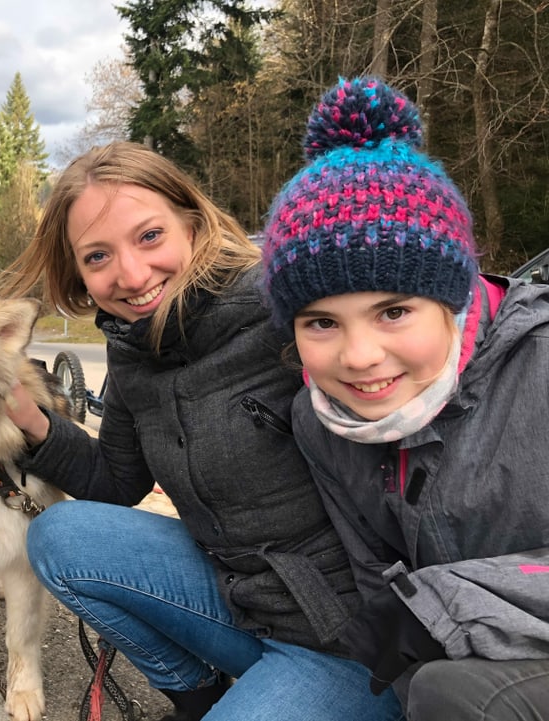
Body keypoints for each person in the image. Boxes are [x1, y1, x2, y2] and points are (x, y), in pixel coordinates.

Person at [0, 141, 402, 721]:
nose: (131, 275)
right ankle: (198, 700)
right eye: (97, 256)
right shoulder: (133, 346)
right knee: (61, 535)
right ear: (78, 272)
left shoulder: (289, 312)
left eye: (149, 236)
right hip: (242, 598)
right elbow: (115, 483)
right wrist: (30, 419)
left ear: (192, 221)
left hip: (350, 642)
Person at [261, 76, 549, 720]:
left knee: (458, 695)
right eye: (321, 323)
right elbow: (374, 572)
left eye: (393, 311)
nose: (359, 357)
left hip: (487, 670)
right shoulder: (318, 418)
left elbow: (419, 609)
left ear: (452, 299)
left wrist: (444, 604)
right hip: (448, 661)